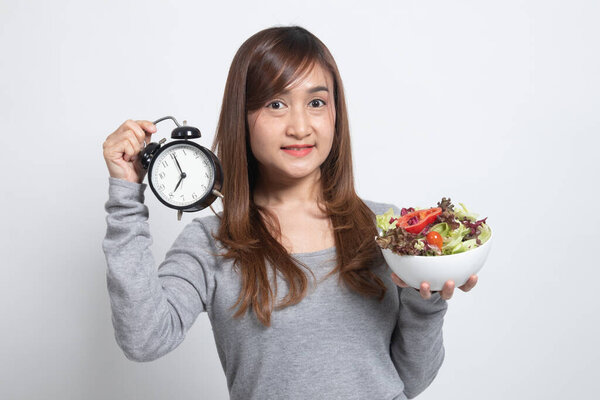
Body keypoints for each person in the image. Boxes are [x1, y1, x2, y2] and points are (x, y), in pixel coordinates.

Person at [101, 25, 477, 400]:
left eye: (316, 103)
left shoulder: (385, 230)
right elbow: (143, 339)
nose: (300, 127)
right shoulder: (211, 243)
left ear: (335, 115)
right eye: (275, 104)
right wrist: (125, 197)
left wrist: (424, 302)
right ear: (242, 117)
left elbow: (410, 381)